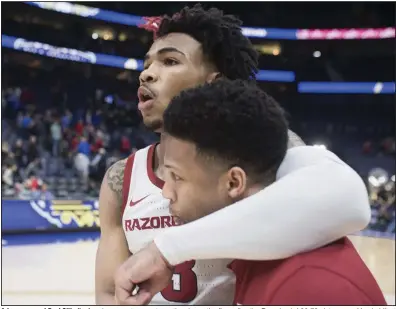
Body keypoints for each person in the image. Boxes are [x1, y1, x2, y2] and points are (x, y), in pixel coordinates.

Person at [96, 5, 370, 305]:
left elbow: (349, 200)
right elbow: (110, 294)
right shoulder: (120, 179)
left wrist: (166, 249)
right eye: (147, 64)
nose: (146, 74)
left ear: (215, 83)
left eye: (170, 61)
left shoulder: (261, 148)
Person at [115, 79, 386, 305]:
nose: (166, 193)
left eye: (176, 177)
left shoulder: (310, 287)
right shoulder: (253, 256)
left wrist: (165, 250)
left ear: (234, 183)